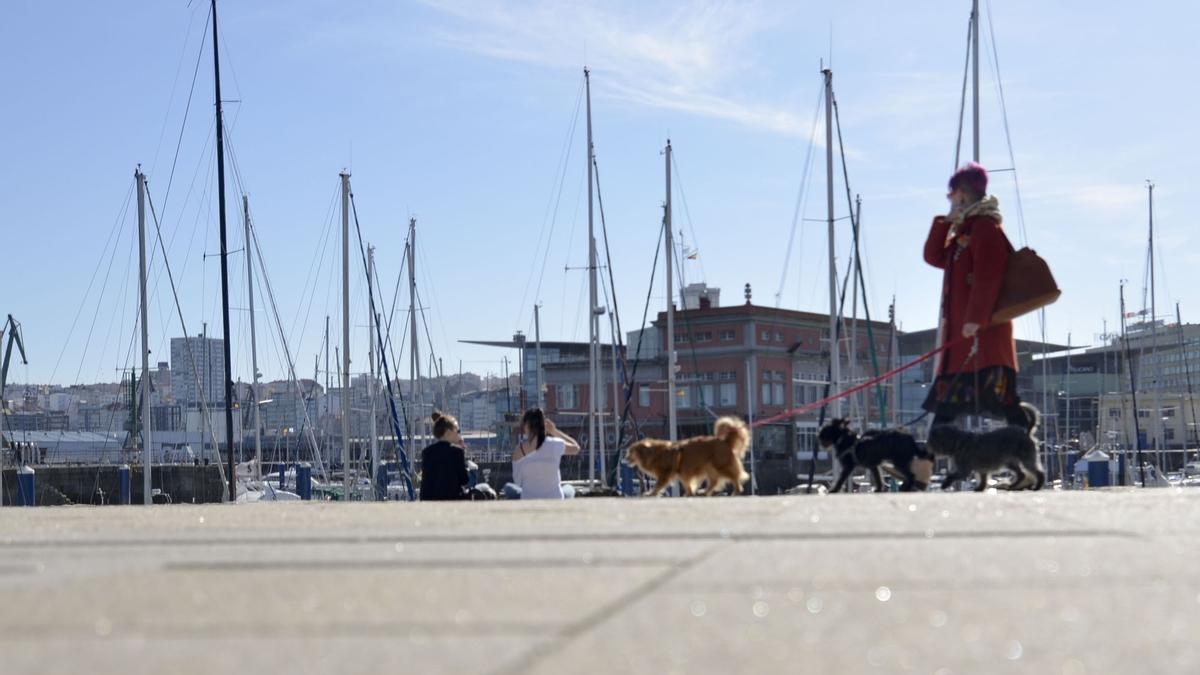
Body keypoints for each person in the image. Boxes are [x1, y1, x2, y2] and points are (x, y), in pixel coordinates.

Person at [922, 162, 1029, 429]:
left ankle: (1025, 456)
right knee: (948, 410)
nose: (949, 199)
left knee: (1002, 405)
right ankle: (938, 464)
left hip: (982, 340)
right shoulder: (965, 231)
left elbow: (988, 277)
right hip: (963, 342)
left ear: (961, 193)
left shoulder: (985, 228)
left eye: (951, 194)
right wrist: (944, 223)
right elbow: (934, 257)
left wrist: (975, 318)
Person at [504, 408, 581, 500]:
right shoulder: (556, 444)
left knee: (508, 487)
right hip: (555, 499)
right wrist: (554, 431)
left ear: (526, 427)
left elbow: (517, 482)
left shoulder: (519, 451)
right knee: (569, 488)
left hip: (529, 499)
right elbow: (576, 448)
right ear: (544, 426)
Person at [418, 411, 470, 501]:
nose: (459, 434)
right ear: (448, 432)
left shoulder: (426, 452)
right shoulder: (457, 452)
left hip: (428, 500)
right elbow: (464, 480)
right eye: (458, 431)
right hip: (451, 500)